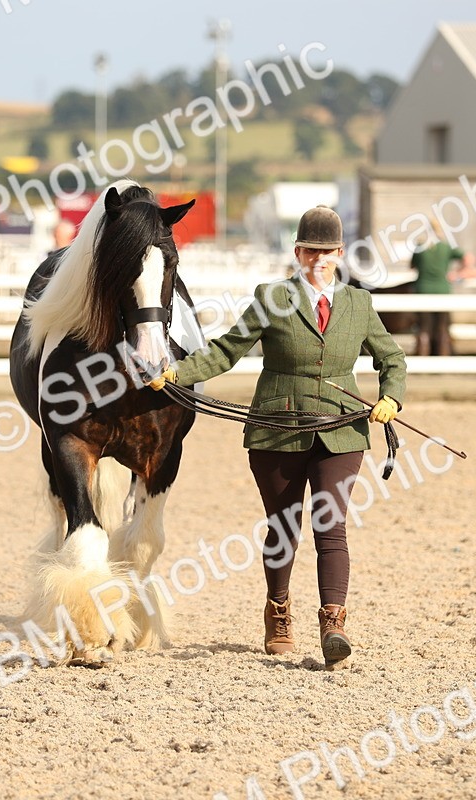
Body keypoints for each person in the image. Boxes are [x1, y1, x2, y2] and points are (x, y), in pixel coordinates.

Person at [150, 206, 407, 670]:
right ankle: (279, 612)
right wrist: (176, 373)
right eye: (311, 251)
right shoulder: (271, 298)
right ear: (298, 253)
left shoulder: (358, 305)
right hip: (277, 431)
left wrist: (391, 398)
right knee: (285, 527)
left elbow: (393, 360)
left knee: (331, 527)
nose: (319, 260)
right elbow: (228, 351)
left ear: (340, 254)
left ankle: (334, 624)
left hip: (341, 431)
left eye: (327, 252)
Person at [410, 219, 474, 356]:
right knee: (442, 329)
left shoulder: (420, 247)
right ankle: (443, 359)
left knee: (423, 329)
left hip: (423, 291)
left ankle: (423, 361)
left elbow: (412, 266)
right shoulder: (446, 247)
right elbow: (469, 258)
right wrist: (457, 273)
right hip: (442, 291)